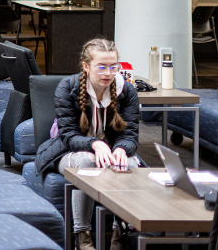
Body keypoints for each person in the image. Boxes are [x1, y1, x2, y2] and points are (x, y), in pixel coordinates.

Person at [34, 38, 139, 250]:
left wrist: (121, 148)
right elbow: (68, 136)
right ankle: (83, 236)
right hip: (70, 152)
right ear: (86, 66)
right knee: (88, 162)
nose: (108, 73)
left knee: (131, 165)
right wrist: (96, 144)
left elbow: (130, 135)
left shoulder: (127, 91)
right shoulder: (68, 87)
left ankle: (120, 233)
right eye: (101, 67)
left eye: (113, 67)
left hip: (108, 151)